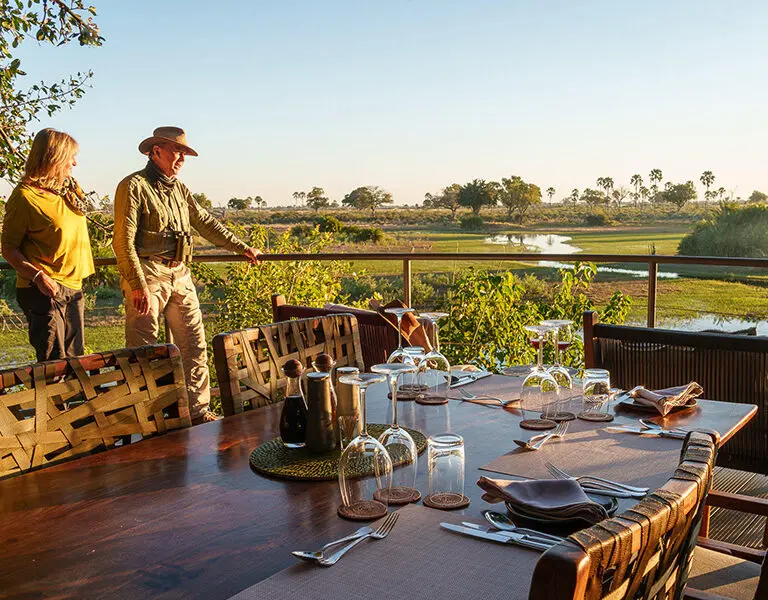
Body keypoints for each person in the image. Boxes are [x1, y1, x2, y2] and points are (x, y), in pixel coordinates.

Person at [113, 126, 262, 425]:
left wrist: (242, 248)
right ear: (156, 151)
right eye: (176, 151)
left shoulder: (180, 189)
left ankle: (197, 412)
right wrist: (137, 284)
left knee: (194, 344)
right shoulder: (133, 186)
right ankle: (149, 419)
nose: (181, 158)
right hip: (148, 273)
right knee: (144, 351)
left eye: (184, 153)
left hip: (180, 273)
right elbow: (123, 241)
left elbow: (205, 222)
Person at [1, 128, 95, 362]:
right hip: (45, 289)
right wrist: (39, 277)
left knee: (75, 362)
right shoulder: (25, 197)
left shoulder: (67, 191)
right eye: (71, 157)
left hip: (73, 287)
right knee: (54, 363)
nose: (75, 163)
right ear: (55, 157)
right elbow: (8, 248)